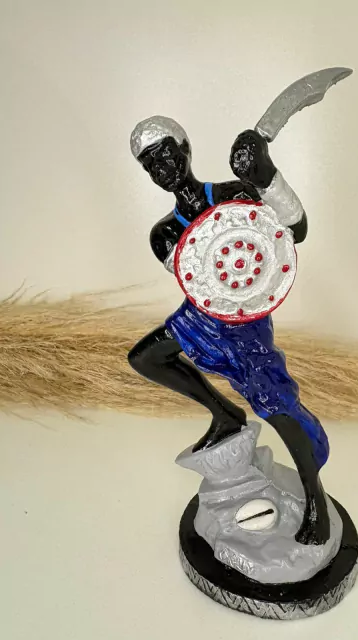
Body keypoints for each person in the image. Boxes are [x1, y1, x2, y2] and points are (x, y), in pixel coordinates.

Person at [128, 116, 330, 544]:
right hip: (204, 317)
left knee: (275, 404)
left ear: (185, 149)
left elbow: (295, 230)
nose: (161, 168)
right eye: (150, 165)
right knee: (146, 357)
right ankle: (224, 412)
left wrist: (265, 177)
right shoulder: (164, 233)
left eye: (165, 155)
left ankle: (315, 497)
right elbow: (203, 281)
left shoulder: (233, 194)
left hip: (246, 321)